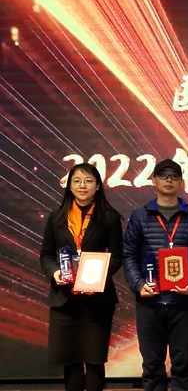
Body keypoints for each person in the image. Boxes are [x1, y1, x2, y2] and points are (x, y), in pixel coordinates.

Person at [122, 159, 188, 391]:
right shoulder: (140, 216)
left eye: (174, 176)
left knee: (183, 366)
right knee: (152, 366)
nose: (169, 180)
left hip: (184, 304)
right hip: (149, 303)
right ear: (154, 181)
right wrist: (138, 284)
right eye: (163, 175)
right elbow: (129, 255)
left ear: (181, 181)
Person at [39, 163, 123, 391]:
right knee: (71, 358)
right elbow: (46, 254)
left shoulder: (110, 218)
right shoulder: (57, 217)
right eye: (76, 181)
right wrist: (55, 272)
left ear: (98, 186)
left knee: (95, 359)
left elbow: (117, 256)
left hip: (97, 300)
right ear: (69, 186)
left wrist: (97, 278)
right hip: (64, 299)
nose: (82, 185)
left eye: (88, 181)